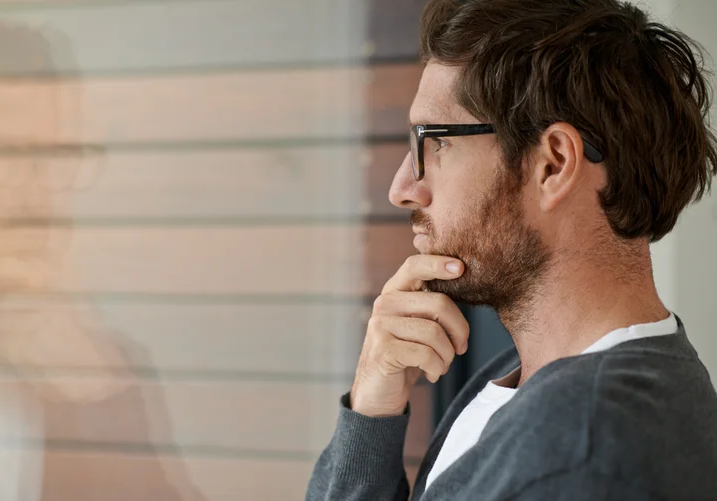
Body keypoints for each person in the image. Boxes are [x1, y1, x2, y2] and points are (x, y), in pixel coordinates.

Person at [306, 0, 717, 499]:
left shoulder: (577, 446)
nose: (401, 188)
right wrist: (374, 408)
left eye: (433, 141)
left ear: (553, 165)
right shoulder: (532, 384)